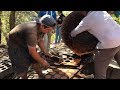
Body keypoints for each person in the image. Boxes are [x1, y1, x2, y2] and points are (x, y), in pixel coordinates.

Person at [62, 11, 120, 79]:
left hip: (109, 44)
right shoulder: (102, 12)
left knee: (100, 73)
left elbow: (74, 32)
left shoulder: (87, 20)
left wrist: (68, 38)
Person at [7, 15, 56, 79]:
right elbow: (32, 52)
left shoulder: (42, 28)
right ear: (42, 26)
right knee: (22, 65)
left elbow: (40, 40)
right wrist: (43, 62)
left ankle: (40, 75)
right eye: (48, 30)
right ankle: (24, 77)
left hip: (25, 41)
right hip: (15, 44)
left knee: (35, 60)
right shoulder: (31, 32)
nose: (49, 31)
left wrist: (45, 52)